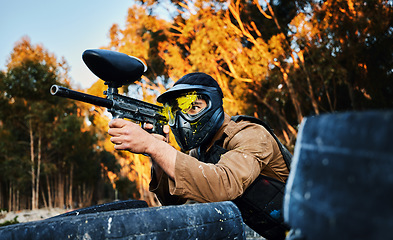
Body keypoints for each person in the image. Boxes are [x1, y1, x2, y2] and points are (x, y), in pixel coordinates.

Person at [108, 72, 291, 239]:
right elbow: (174, 202)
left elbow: (224, 185)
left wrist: (154, 146)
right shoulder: (201, 150)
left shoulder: (250, 134)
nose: (182, 119)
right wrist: (156, 154)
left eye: (193, 107)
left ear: (214, 105)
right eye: (175, 112)